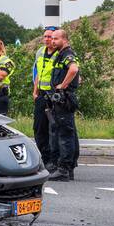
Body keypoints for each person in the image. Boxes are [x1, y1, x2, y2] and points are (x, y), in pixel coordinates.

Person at [46, 29, 80, 182]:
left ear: (64, 40)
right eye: (51, 38)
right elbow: (76, 75)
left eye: (56, 39)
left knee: (65, 135)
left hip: (64, 99)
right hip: (60, 100)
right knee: (63, 132)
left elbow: (74, 69)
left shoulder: (67, 54)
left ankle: (64, 170)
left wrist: (62, 86)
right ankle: (67, 168)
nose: (52, 41)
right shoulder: (59, 55)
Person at [31, 28, 57, 171]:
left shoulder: (61, 53)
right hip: (41, 95)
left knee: (54, 129)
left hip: (54, 96)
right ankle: (45, 158)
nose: (47, 39)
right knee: (39, 128)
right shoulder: (40, 52)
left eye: (50, 37)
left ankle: (54, 161)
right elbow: (38, 73)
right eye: (45, 36)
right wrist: (35, 92)